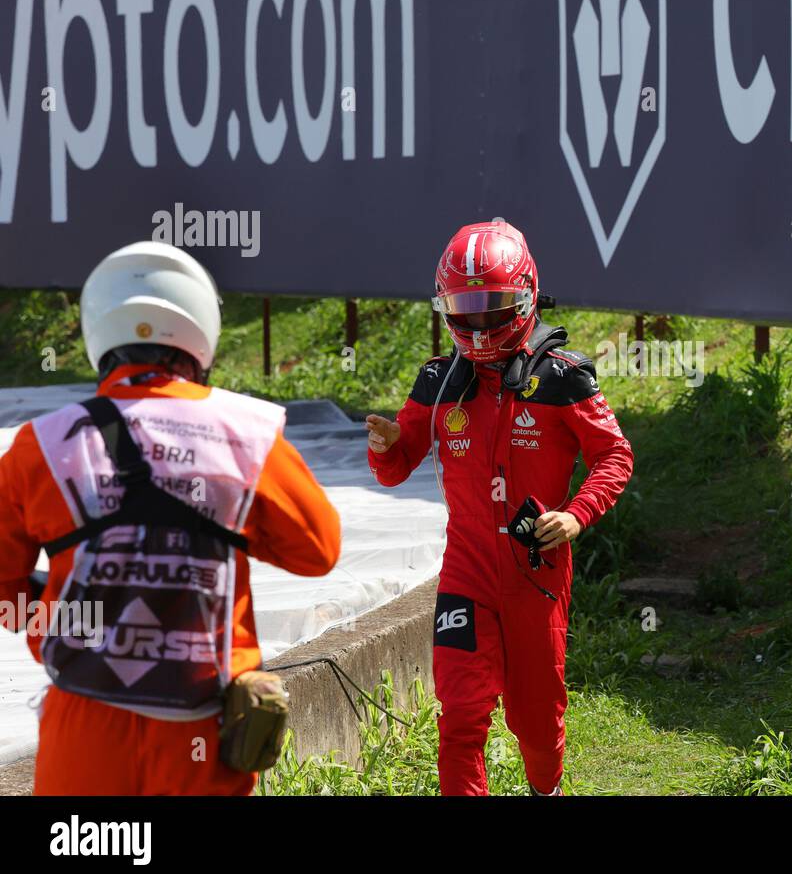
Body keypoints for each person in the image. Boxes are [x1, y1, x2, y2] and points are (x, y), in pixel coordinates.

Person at [0, 241, 341, 795]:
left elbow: (7, 595)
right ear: (201, 332)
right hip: (200, 729)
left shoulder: (39, 446)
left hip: (81, 723)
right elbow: (317, 550)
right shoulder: (246, 435)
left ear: (98, 334)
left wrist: (66, 623)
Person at [365, 220, 633, 796]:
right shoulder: (437, 382)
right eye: (465, 308)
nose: (480, 322)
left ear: (525, 296)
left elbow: (615, 456)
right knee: (460, 715)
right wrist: (385, 443)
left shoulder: (564, 378)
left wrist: (577, 514)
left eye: (493, 307)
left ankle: (547, 790)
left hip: (536, 573)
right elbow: (394, 469)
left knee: (535, 724)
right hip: (466, 573)